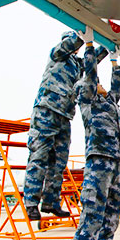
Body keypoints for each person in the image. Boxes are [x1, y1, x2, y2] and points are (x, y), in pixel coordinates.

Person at [63, 31, 120, 240]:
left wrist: (114, 61)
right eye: (97, 83)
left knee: (111, 216)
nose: (101, 85)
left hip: (116, 162)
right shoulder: (88, 101)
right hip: (98, 162)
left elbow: (118, 87)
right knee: (92, 214)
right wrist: (89, 45)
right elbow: (89, 74)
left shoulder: (109, 102)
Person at [23, 31, 85, 221]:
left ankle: (51, 202)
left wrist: (109, 46)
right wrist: (84, 32)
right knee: (39, 156)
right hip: (46, 110)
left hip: (65, 115)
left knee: (59, 162)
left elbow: (93, 59)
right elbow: (71, 44)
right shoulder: (57, 55)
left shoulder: (77, 65)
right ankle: (31, 203)